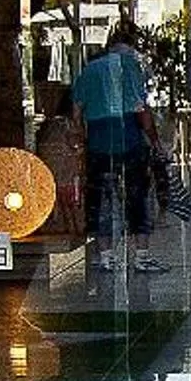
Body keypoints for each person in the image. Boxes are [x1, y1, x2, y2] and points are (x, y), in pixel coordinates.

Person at [74, 20, 164, 274]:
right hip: (129, 139)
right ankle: (141, 256)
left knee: (101, 199)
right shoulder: (131, 67)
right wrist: (154, 140)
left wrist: (83, 142)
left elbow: (77, 112)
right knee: (137, 197)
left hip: (99, 142)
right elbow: (141, 108)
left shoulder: (89, 70)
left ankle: (106, 257)